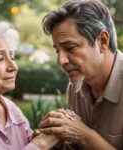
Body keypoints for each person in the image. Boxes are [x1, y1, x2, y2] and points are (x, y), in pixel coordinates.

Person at [39, 0, 123, 149]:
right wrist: (56, 139)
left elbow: (82, 136)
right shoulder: (75, 87)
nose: (60, 60)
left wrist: (84, 135)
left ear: (102, 41)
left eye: (70, 48)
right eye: (57, 50)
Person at [0, 20, 58, 150]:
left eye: (12, 57)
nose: (13, 66)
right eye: (0, 58)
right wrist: (40, 144)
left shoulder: (11, 109)